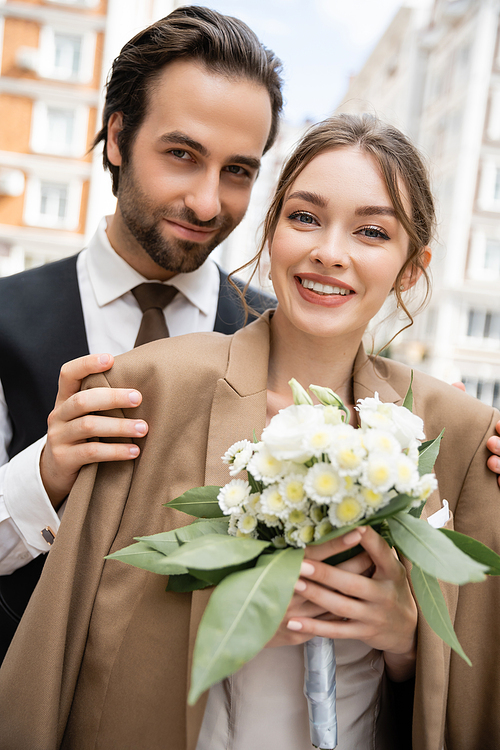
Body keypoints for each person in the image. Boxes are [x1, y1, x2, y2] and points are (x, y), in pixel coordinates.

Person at [1, 113, 499, 750]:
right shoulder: (151, 391)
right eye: (305, 217)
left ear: (411, 267)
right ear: (272, 230)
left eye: (371, 231)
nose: (329, 251)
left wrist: (407, 640)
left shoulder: (456, 436)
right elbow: (60, 638)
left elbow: (476, 685)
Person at [0, 5, 283, 660]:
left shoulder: (282, 338)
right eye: (182, 155)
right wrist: (43, 474)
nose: (209, 203)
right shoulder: (4, 318)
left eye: (237, 171)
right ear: (118, 138)